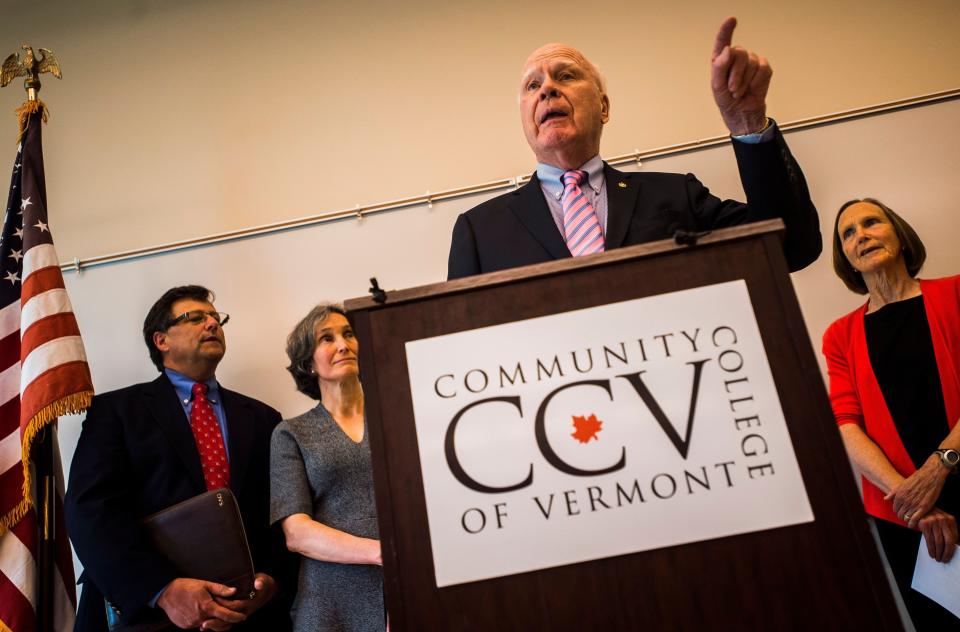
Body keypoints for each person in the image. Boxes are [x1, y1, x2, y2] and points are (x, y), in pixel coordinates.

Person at [447, 17, 821, 280]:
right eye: (533, 86)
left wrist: (747, 123)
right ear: (526, 119)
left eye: (566, 75)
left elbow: (792, 246)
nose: (546, 89)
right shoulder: (479, 231)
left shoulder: (677, 195)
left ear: (604, 107)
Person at [65, 285, 292, 631]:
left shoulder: (263, 418)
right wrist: (163, 591)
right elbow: (89, 511)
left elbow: (280, 513)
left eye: (216, 318)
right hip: (146, 615)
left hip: (247, 615)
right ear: (161, 340)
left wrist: (271, 581)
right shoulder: (117, 412)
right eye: (195, 318)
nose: (212, 324)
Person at [822, 198, 960, 627]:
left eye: (871, 223)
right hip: (906, 516)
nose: (860, 234)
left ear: (899, 236)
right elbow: (846, 425)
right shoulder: (840, 335)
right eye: (848, 233)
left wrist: (939, 467)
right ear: (846, 258)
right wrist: (911, 499)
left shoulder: (955, 293)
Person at [271, 304, 384, 632]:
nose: (343, 345)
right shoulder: (291, 433)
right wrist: (383, 553)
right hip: (331, 600)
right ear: (308, 363)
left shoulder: (397, 413)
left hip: (405, 583)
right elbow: (297, 534)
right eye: (327, 338)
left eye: (349, 334)